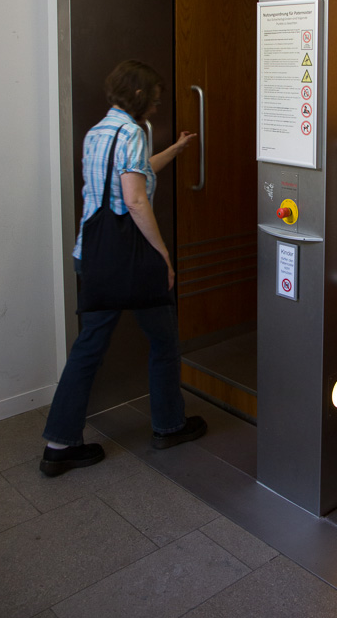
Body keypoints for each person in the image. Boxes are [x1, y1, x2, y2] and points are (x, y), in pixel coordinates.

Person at [40, 59, 206, 476]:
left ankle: (59, 444)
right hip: (131, 260)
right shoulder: (131, 132)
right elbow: (134, 199)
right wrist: (162, 254)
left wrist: (175, 149)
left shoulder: (99, 131)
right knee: (165, 342)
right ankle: (169, 425)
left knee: (88, 348)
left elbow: (132, 174)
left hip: (94, 256)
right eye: (153, 98)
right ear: (138, 95)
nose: (155, 106)